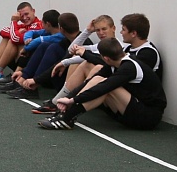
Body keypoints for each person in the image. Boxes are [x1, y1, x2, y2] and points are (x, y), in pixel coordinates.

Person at [38, 37, 166, 131]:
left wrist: (74, 100)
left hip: (148, 117)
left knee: (105, 86)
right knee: (97, 79)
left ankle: (67, 118)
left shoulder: (129, 67)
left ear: (105, 58)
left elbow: (104, 88)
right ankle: (65, 115)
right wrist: (69, 98)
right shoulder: (112, 64)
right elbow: (90, 82)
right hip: (132, 109)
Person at [0, 2, 44, 80]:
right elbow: (3, 31)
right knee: (7, 39)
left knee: (12, 41)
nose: (24, 18)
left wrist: (14, 22)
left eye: (27, 14)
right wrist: (16, 32)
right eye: (22, 16)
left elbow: (15, 38)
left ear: (33, 11)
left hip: (30, 64)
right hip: (21, 60)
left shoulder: (37, 25)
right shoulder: (26, 25)